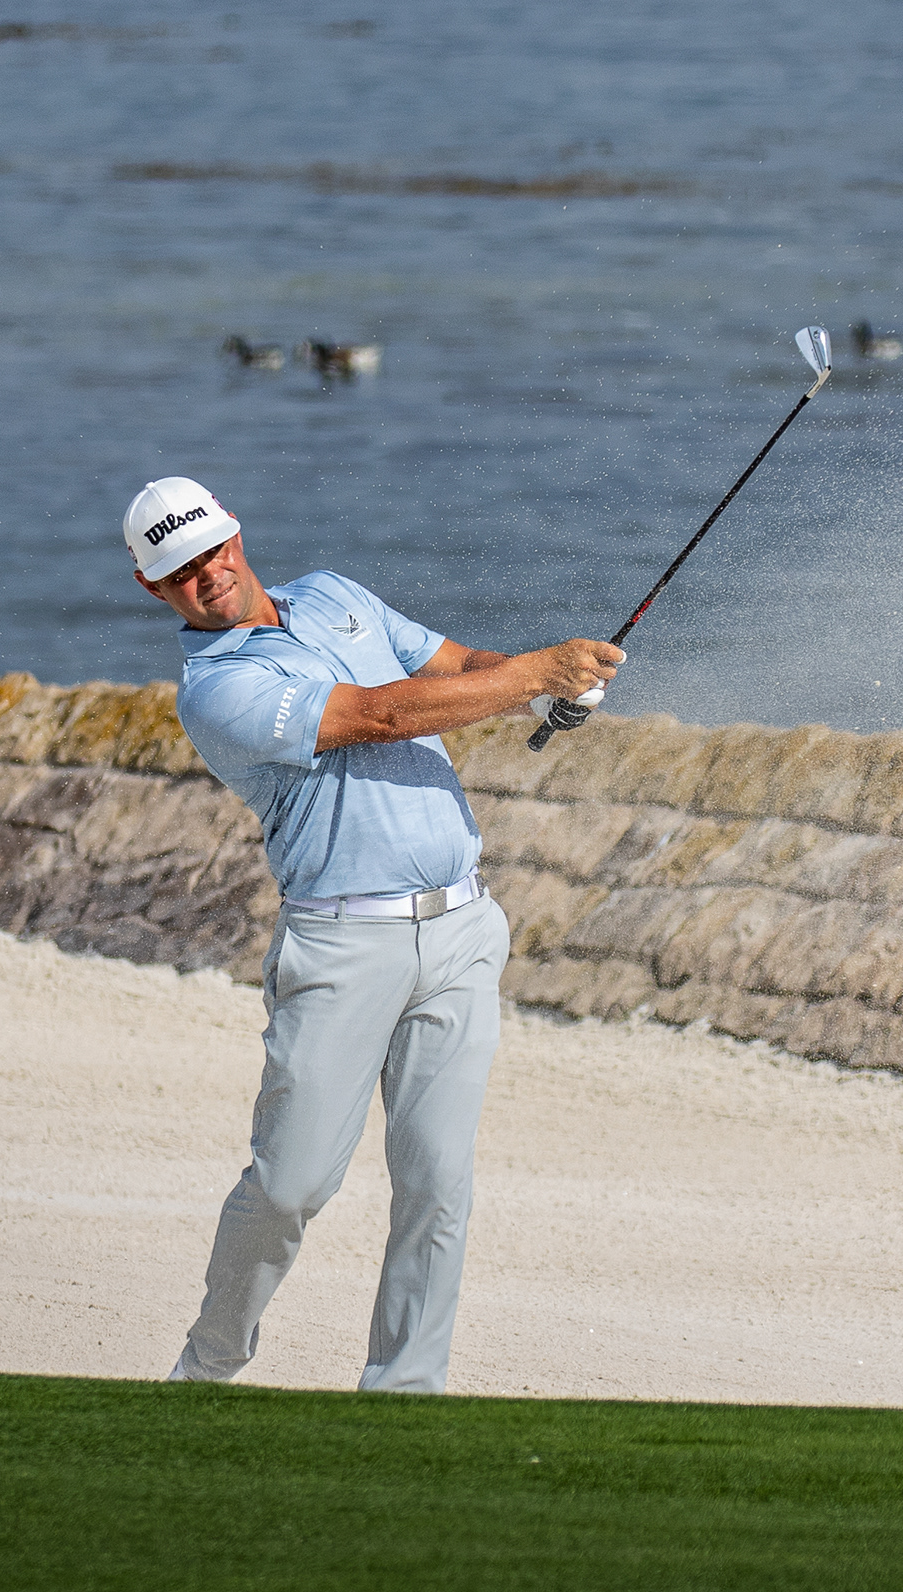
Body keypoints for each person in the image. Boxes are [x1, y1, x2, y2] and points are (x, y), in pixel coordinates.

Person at [126, 474, 623, 1394]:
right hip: (343, 946)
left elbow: (450, 669)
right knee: (290, 1188)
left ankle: (404, 1392)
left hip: (462, 927)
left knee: (437, 1184)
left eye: (211, 551)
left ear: (236, 535)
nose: (206, 575)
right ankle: (208, 1367)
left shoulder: (334, 596)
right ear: (155, 589)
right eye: (180, 571)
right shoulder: (216, 689)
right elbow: (379, 716)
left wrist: (540, 689)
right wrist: (534, 674)